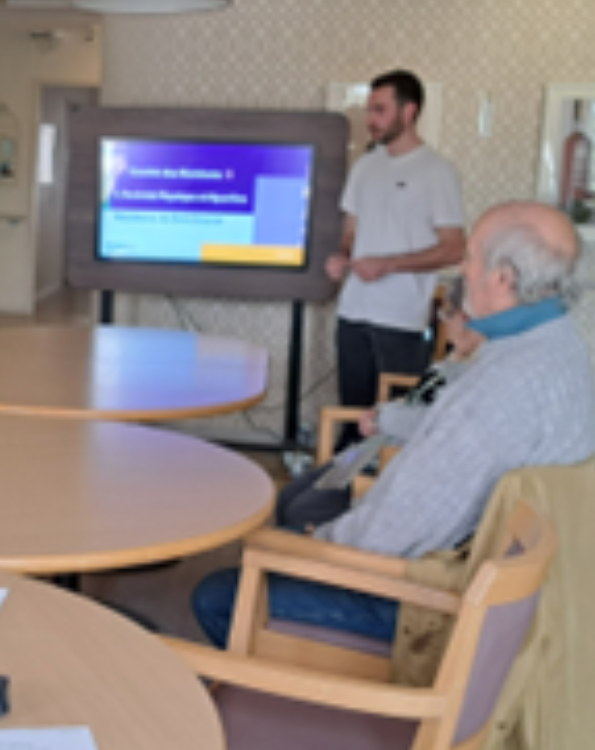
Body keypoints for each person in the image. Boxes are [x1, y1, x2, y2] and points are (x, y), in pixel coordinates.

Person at [194, 201, 595, 647]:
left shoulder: (503, 388)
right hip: (486, 588)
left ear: (503, 280)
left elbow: (395, 533)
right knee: (280, 533)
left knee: (218, 593)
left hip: (424, 605)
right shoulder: (560, 350)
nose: (461, 267)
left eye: (471, 256)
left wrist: (316, 541)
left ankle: (291, 698)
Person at [325, 70, 466, 447]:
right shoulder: (365, 168)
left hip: (401, 320)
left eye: (379, 110)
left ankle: (387, 501)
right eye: (370, 109)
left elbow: (455, 248)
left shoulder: (437, 172)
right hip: (352, 312)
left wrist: (388, 265)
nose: (370, 119)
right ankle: (340, 499)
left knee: (394, 427)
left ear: (409, 112)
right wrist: (341, 258)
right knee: (354, 418)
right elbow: (351, 233)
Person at [277, 277, 485, 532]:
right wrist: (383, 412)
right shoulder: (455, 359)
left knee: (300, 509)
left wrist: (382, 418)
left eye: (447, 314)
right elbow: (417, 400)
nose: (445, 322)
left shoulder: (477, 374)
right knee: (288, 496)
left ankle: (302, 561)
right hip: (371, 449)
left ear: (465, 318)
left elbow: (434, 422)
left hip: (390, 463)